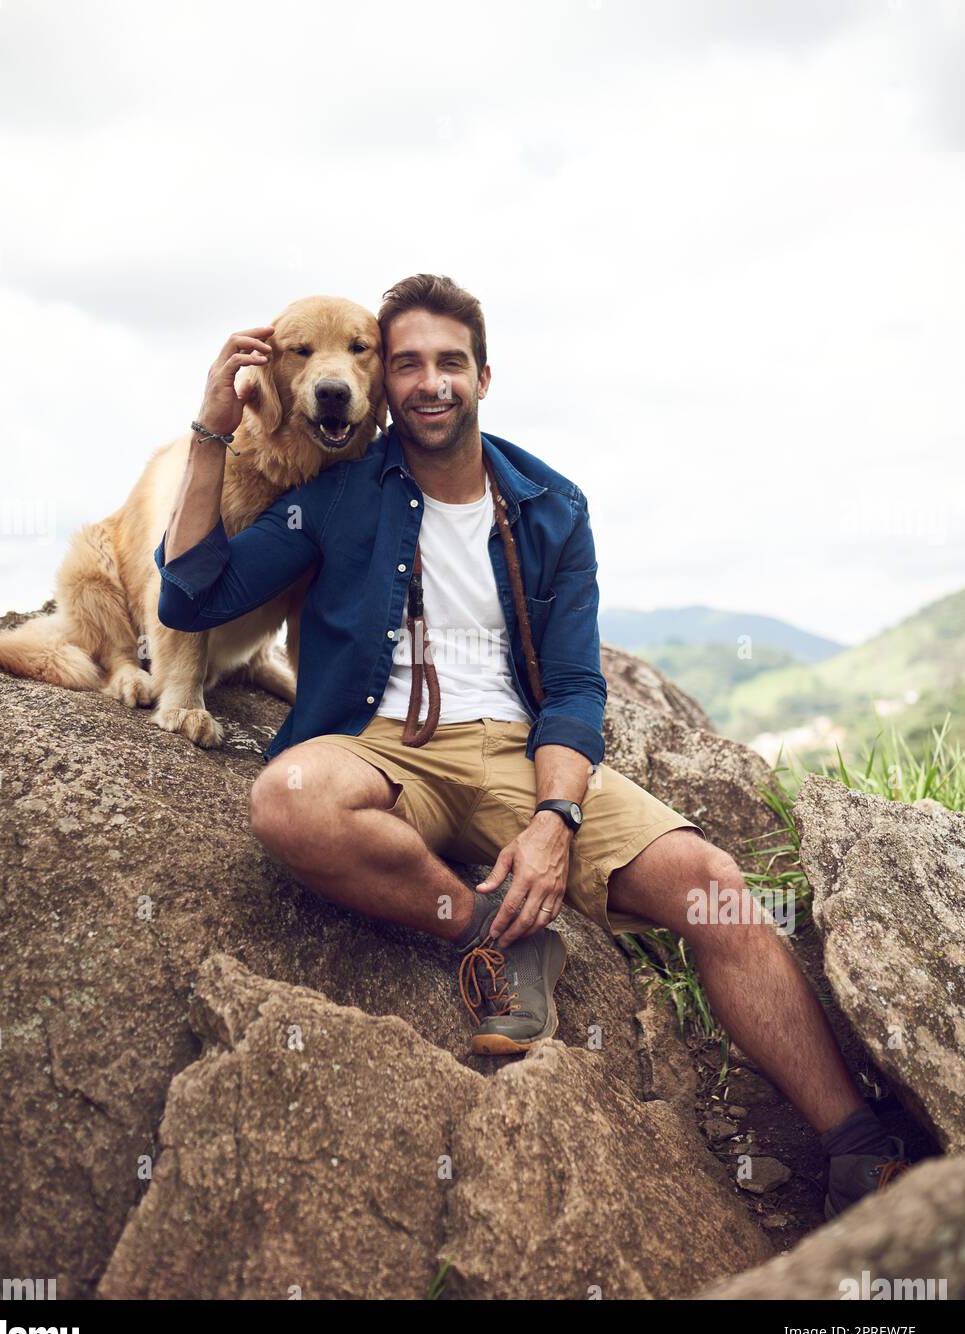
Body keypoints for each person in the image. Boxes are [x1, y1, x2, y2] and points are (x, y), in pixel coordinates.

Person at [155, 273, 909, 1219]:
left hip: (518, 755)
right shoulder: (341, 493)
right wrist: (210, 430)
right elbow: (191, 597)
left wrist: (555, 818)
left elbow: (578, 689)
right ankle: (490, 932)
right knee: (286, 800)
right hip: (383, 747)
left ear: (482, 375)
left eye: (449, 363)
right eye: (407, 366)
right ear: (384, 385)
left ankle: (858, 1146)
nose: (429, 383)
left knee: (711, 884)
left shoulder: (551, 505)